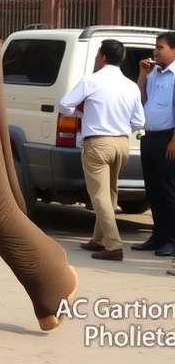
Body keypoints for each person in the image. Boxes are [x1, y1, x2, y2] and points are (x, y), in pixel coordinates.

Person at [59, 40, 145, 261]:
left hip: (98, 143)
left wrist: (82, 112)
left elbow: (64, 105)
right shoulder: (131, 86)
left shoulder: (91, 81)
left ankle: (113, 245)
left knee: (99, 196)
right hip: (122, 143)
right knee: (110, 191)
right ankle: (98, 239)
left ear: (102, 57)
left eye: (98, 54)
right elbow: (139, 122)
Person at [133, 32, 175, 257]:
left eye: (160, 47)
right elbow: (140, 101)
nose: (155, 51)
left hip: (168, 139)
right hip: (149, 137)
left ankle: (171, 239)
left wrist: (174, 141)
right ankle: (157, 236)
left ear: (174, 50)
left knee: (168, 190)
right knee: (153, 189)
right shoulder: (154, 73)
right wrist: (142, 74)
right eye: (155, 47)